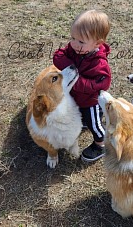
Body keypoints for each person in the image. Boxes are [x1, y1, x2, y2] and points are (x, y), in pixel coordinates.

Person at [53, 9, 111, 162]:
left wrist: (76, 80)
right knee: (79, 115)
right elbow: (58, 55)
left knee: (94, 124)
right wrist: (70, 67)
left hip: (89, 101)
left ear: (97, 43)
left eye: (80, 41)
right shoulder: (75, 48)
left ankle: (101, 144)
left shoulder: (99, 63)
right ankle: (87, 120)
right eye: (72, 38)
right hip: (74, 97)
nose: (73, 43)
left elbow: (102, 84)